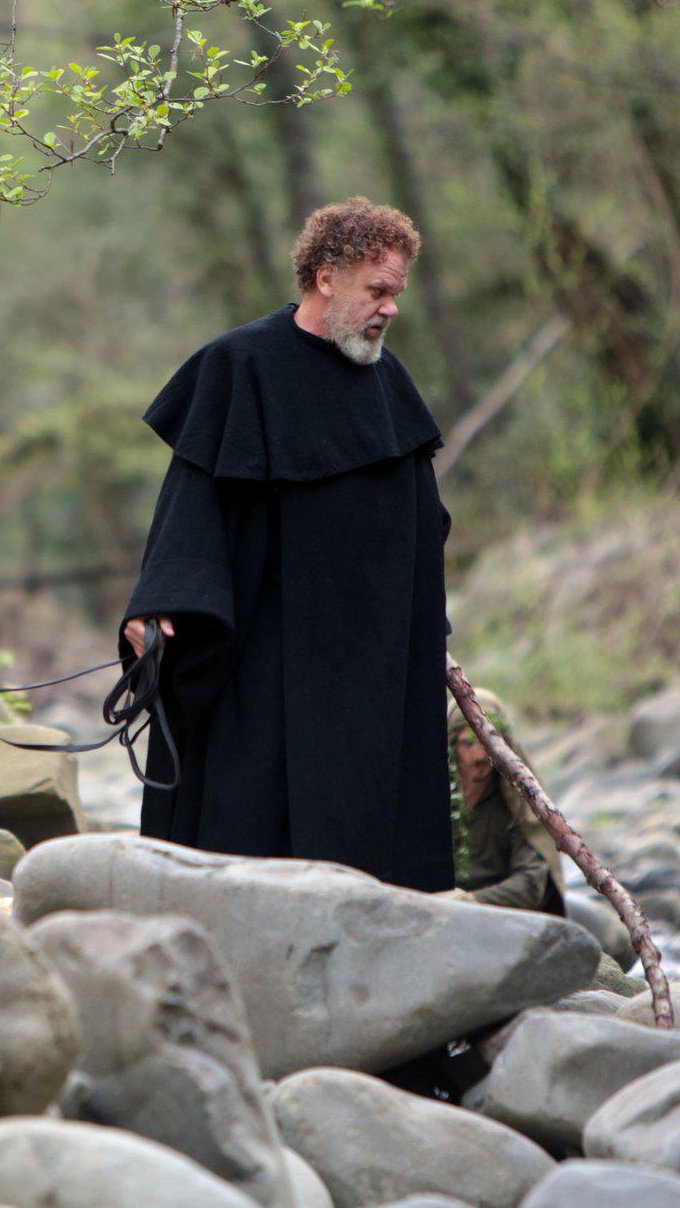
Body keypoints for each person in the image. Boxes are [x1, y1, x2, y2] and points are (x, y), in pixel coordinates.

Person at [120, 198, 453, 890]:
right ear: (327, 278)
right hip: (259, 656)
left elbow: (425, 525)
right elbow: (192, 505)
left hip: (368, 666)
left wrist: (430, 636)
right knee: (246, 830)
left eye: (396, 294)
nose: (391, 308)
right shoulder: (237, 366)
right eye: (378, 290)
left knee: (364, 845)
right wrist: (159, 605)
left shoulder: (391, 385)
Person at [447, 689, 565, 914]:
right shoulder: (434, 798)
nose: (480, 756)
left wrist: (468, 901)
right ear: (452, 747)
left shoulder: (517, 803)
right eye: (467, 744)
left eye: (486, 743)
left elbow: (531, 884)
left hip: (499, 918)